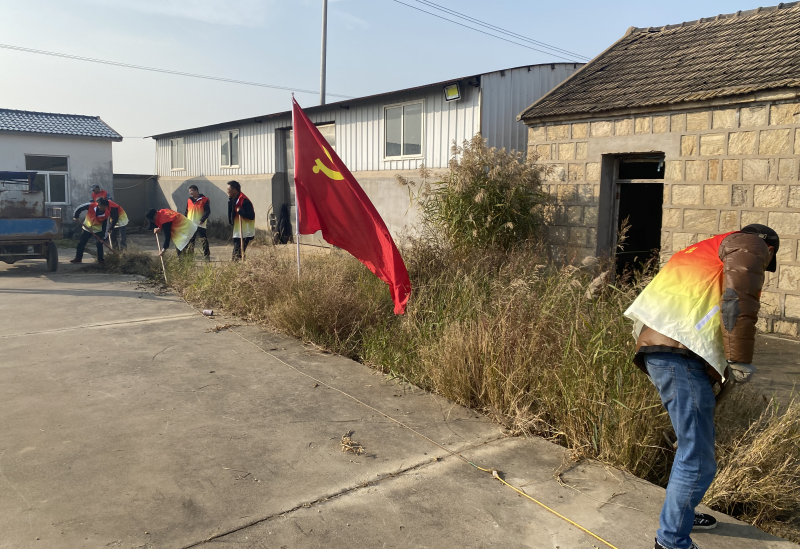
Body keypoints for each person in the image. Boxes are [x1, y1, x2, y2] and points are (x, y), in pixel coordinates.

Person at [624, 224, 779, 549]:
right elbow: (740, 299)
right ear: (768, 249)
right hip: (679, 355)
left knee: (691, 447)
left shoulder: (702, 251)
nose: (764, 266)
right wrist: (739, 360)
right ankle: (671, 541)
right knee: (697, 458)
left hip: (663, 350)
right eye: (768, 261)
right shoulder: (750, 244)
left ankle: (680, 515)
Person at [71, 198, 112, 265]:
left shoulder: (107, 214)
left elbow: (106, 226)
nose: (105, 208)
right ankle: (78, 258)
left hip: (98, 230)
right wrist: (76, 216)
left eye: (106, 207)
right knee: (81, 243)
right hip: (87, 228)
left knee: (99, 244)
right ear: (99, 205)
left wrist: (103, 237)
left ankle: (101, 260)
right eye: (103, 207)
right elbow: (79, 208)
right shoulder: (90, 206)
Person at [226, 180, 255, 261]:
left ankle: (236, 266)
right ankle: (238, 265)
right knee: (238, 251)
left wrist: (241, 212)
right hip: (238, 229)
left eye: (228, 189)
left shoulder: (244, 201)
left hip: (244, 231)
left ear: (234, 190)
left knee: (237, 252)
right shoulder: (233, 200)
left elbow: (251, 216)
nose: (227, 191)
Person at [184, 185, 211, 260]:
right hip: (191, 224)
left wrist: (202, 219)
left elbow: (207, 211)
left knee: (203, 240)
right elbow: (186, 211)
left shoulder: (204, 200)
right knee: (191, 240)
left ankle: (206, 255)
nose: (190, 193)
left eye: (191, 191)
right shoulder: (189, 200)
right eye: (189, 191)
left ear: (196, 190)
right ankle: (190, 255)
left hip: (200, 224)